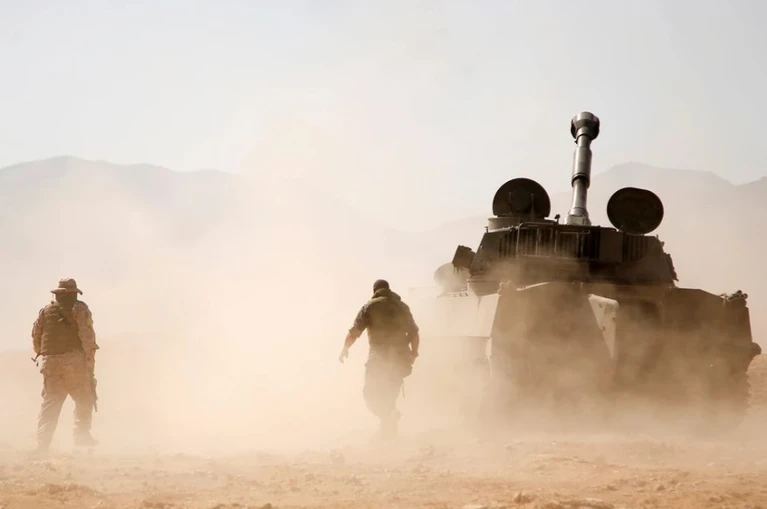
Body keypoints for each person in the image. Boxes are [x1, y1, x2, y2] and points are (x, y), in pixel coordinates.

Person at [339, 279, 419, 439]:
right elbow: (414, 333)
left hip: (379, 357)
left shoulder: (370, 306)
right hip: (401, 357)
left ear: (374, 290)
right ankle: (388, 433)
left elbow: (355, 332)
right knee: (390, 395)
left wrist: (345, 348)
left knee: (370, 393)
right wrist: (414, 354)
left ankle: (388, 420)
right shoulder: (402, 307)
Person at [31, 278, 99, 452]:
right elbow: (87, 336)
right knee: (84, 398)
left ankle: (42, 444)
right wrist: (90, 362)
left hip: (50, 364)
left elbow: (36, 338)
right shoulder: (79, 309)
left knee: (50, 403)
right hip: (74, 363)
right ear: (73, 293)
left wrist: (46, 357)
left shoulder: (45, 311)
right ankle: (81, 436)